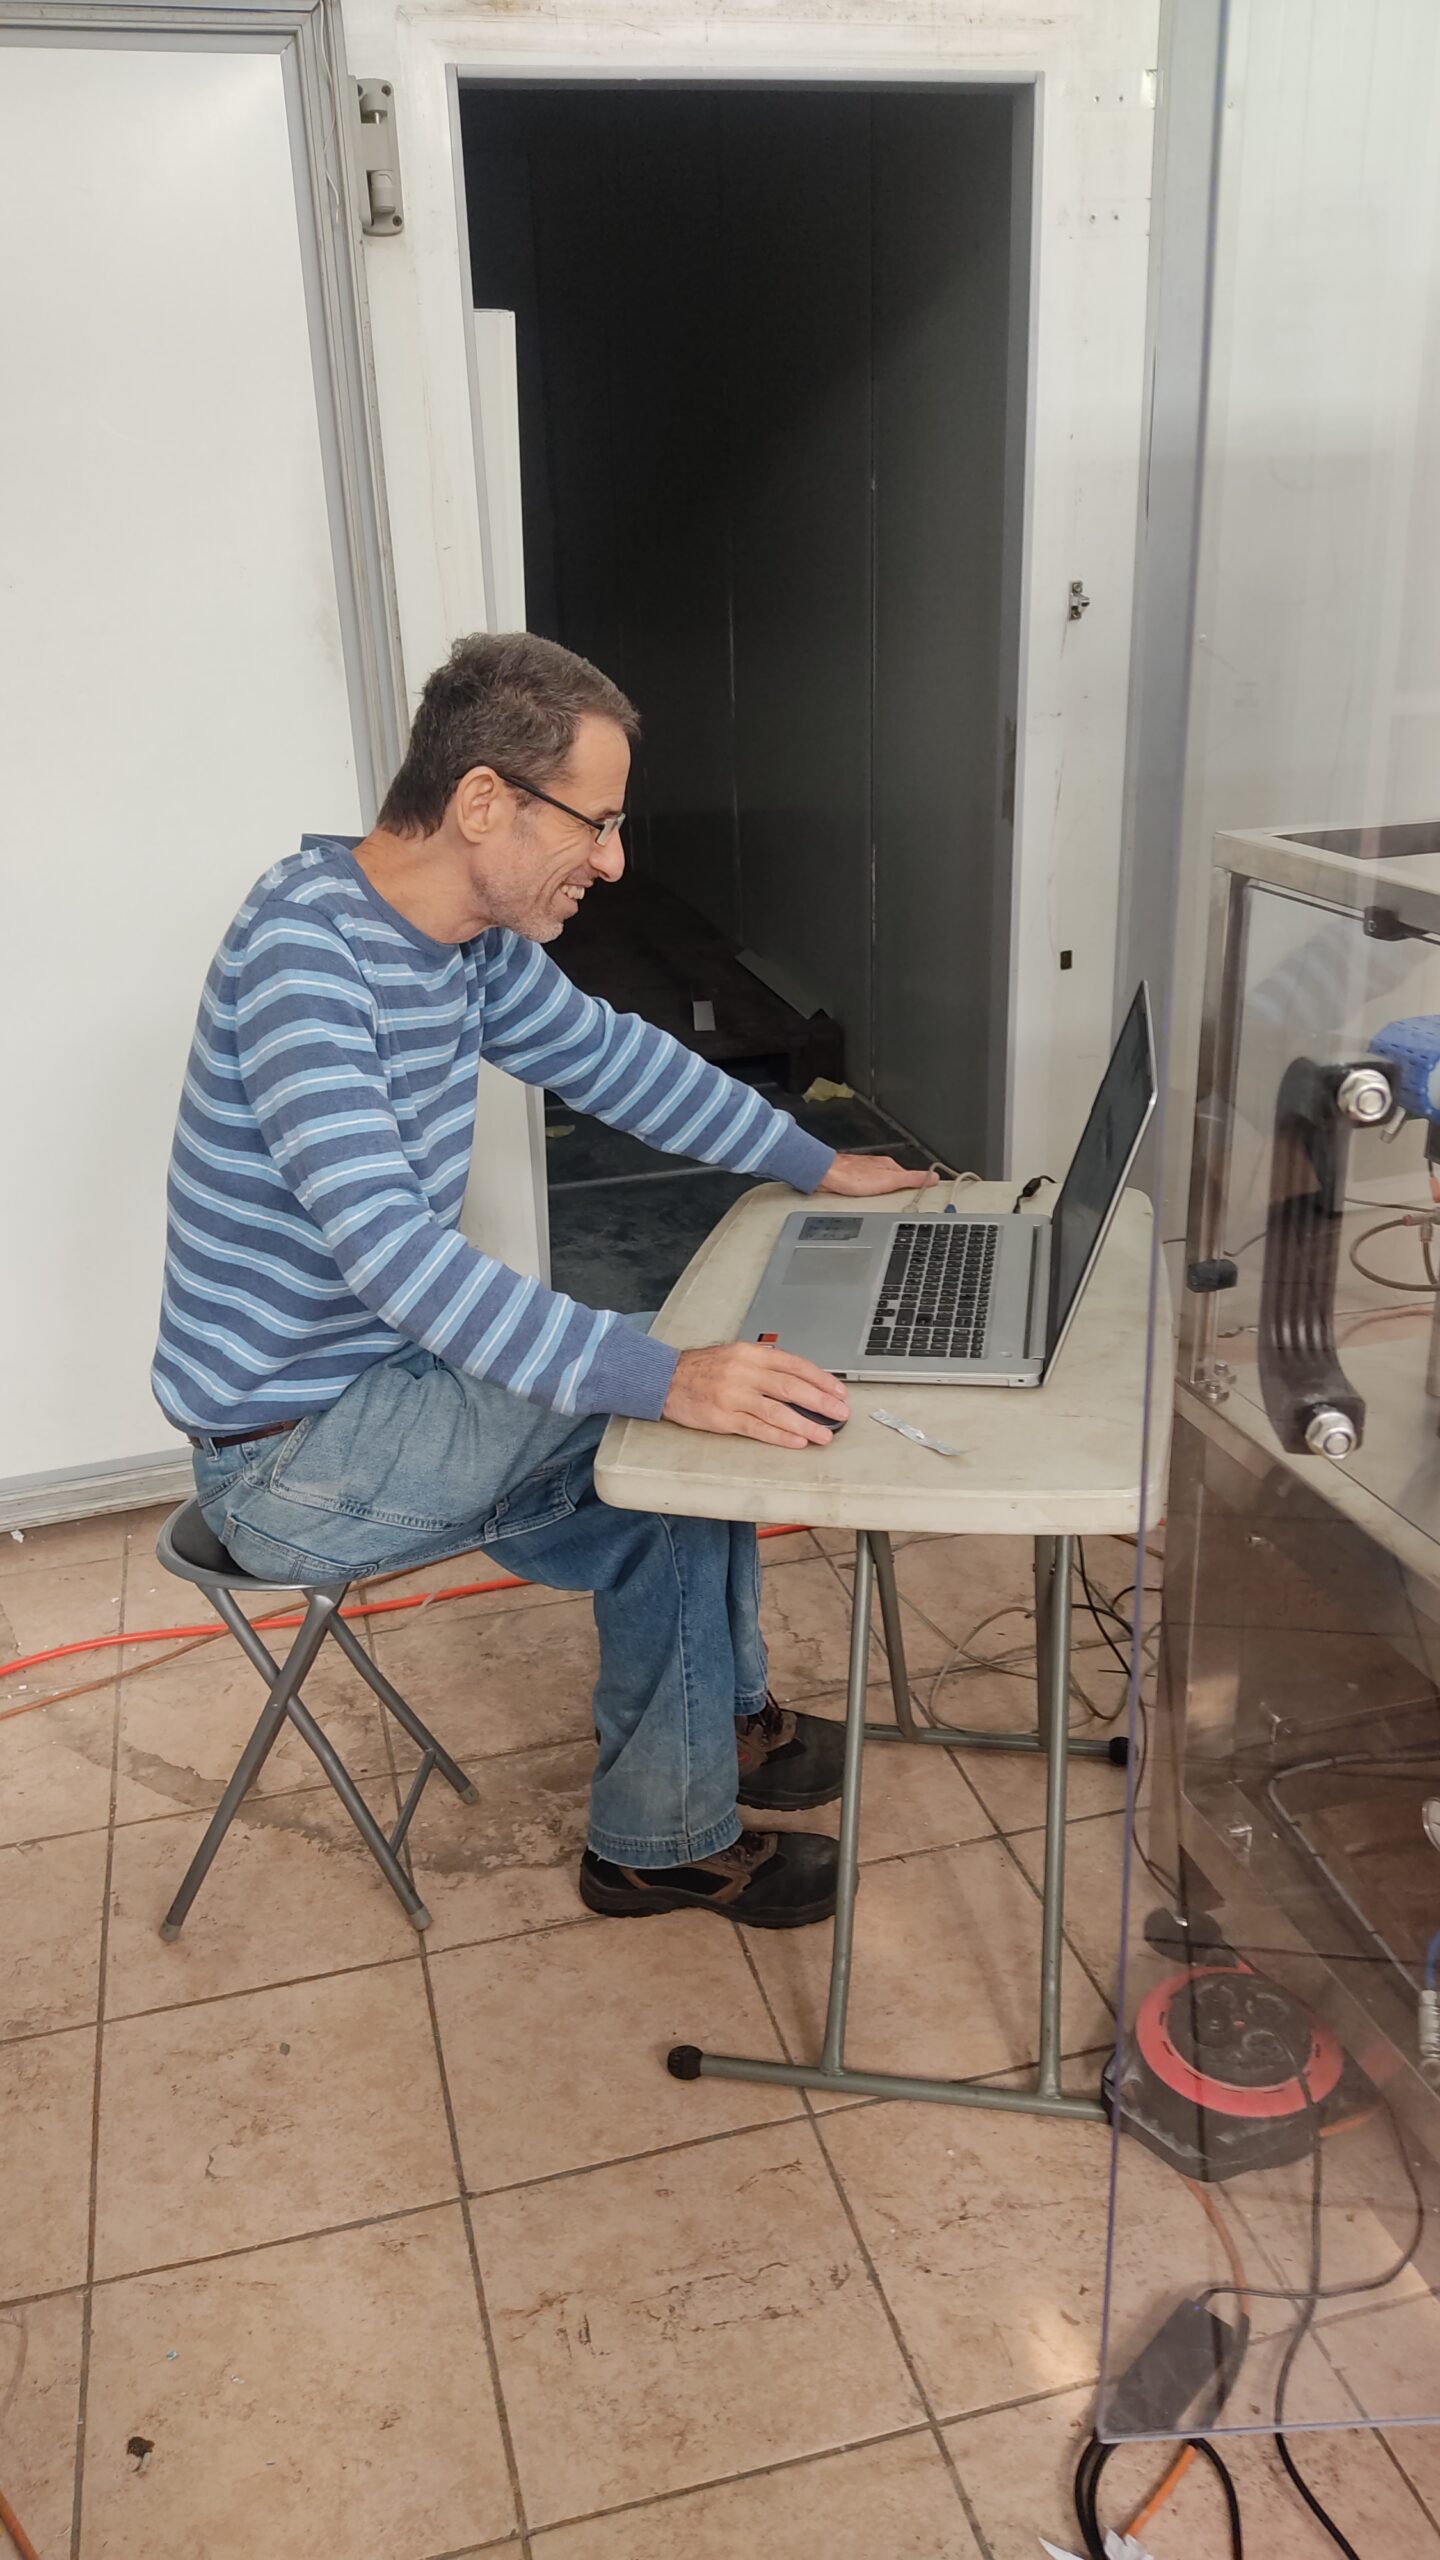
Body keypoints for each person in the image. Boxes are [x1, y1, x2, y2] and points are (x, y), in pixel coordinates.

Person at [153, 632, 932, 1927]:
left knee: (667, 1465)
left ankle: (705, 1759)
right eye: (598, 822)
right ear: (483, 802)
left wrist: (817, 1159)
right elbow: (395, 1252)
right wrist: (662, 1377)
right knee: (673, 1408)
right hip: (292, 1458)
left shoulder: (455, 943)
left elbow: (613, 1058)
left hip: (382, 1393)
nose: (613, 861)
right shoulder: (308, 957)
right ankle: (671, 1831)